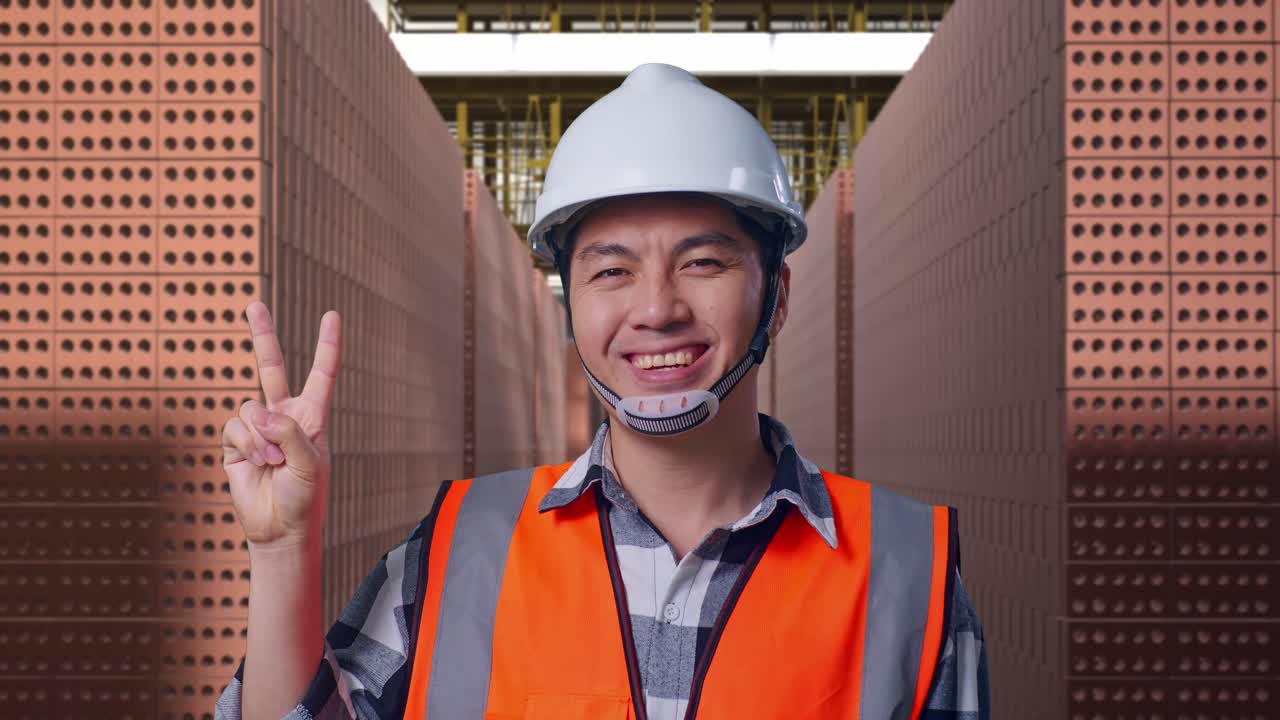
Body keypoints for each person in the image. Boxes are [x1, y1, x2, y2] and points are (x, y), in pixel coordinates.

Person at [215, 63, 990, 720]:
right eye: (612, 271)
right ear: (571, 306)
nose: (656, 309)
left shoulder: (904, 572)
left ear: (777, 295)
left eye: (704, 263)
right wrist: (284, 552)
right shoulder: (456, 552)